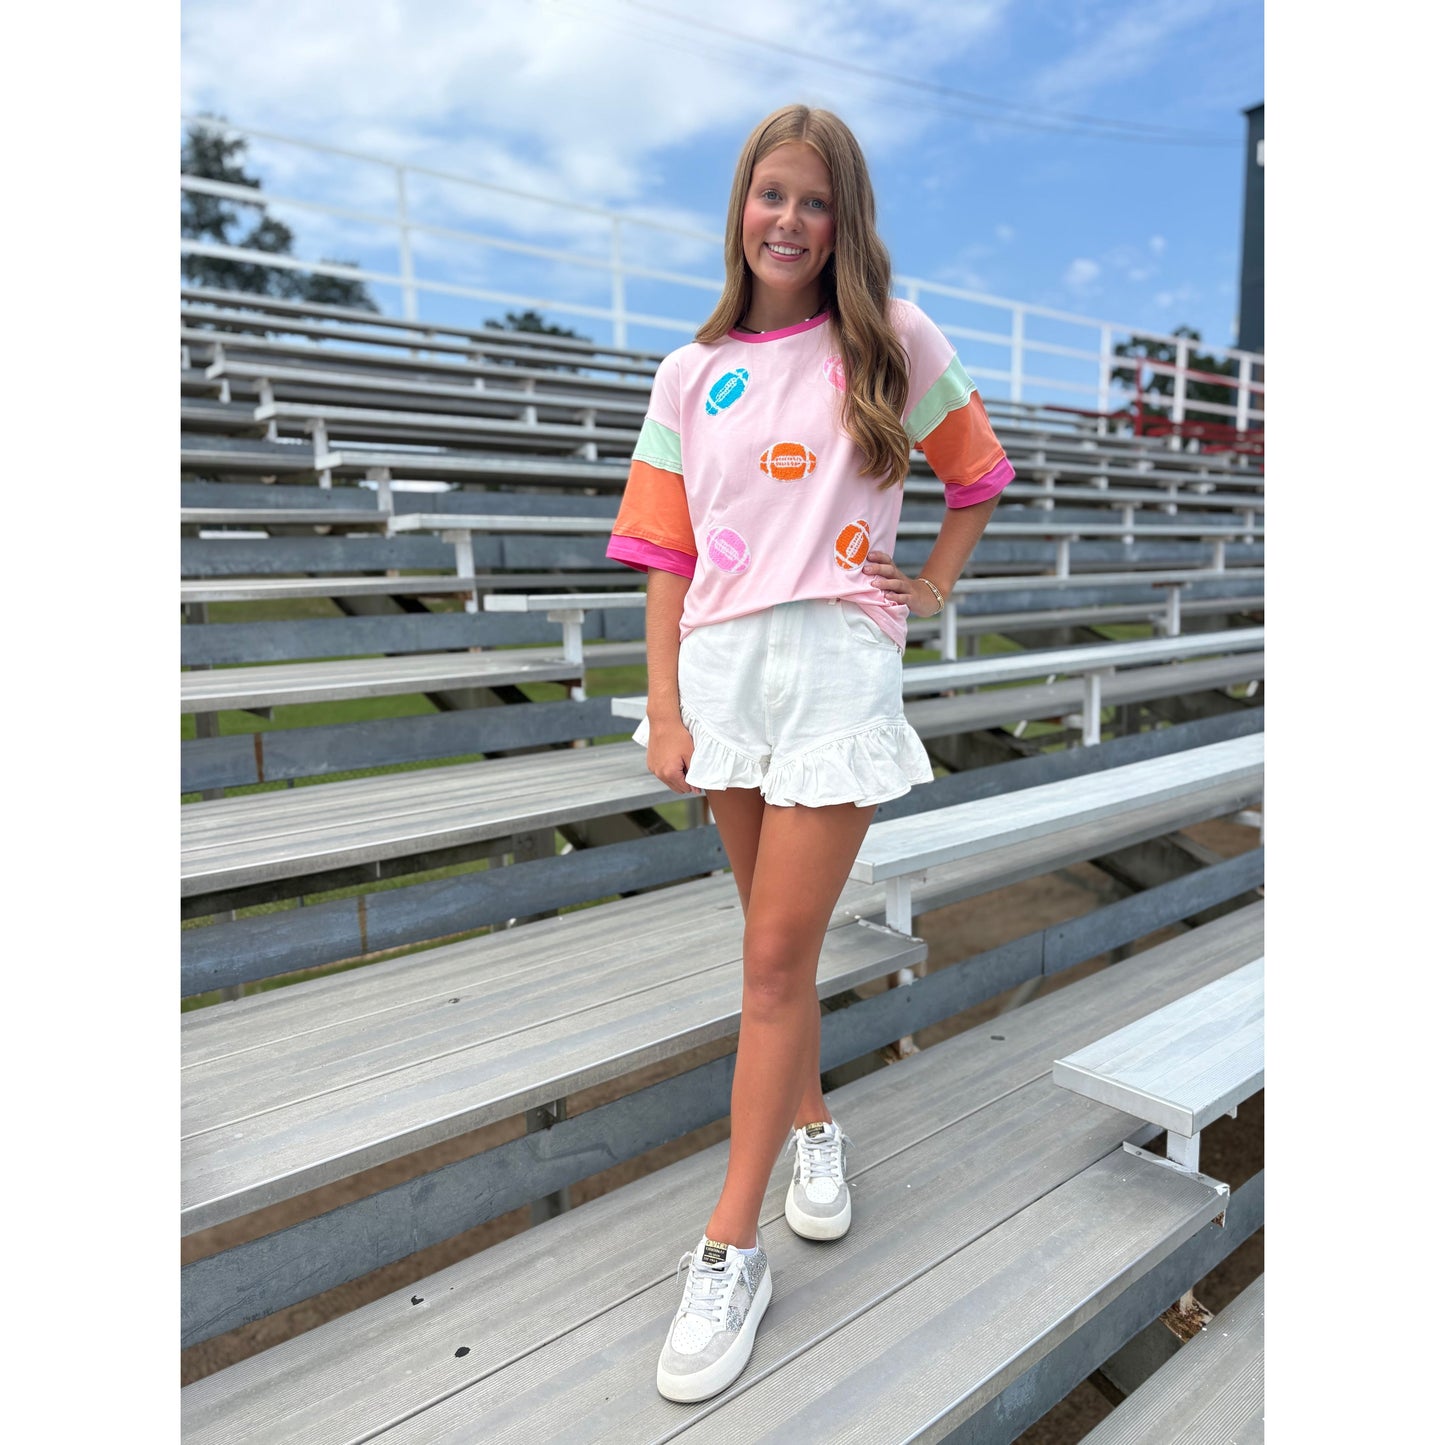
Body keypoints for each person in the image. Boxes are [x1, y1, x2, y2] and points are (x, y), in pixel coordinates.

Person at [605, 102, 1015, 1404]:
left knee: (775, 960)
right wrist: (664, 705)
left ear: (844, 221)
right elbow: (662, 560)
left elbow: (979, 472)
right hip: (722, 675)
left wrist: (930, 588)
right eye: (767, 194)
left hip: (835, 663)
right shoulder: (690, 371)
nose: (786, 219)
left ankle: (729, 1248)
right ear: (740, 207)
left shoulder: (889, 337)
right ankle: (815, 1126)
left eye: (813, 200)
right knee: (764, 948)